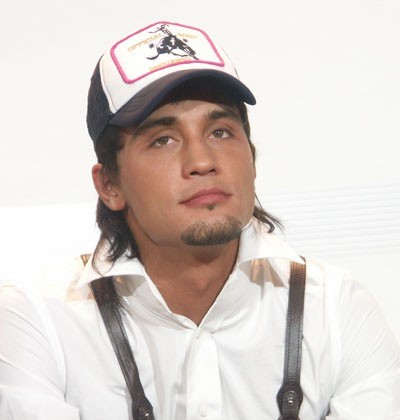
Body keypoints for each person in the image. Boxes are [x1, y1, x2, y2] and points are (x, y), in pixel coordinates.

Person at [0, 20, 399, 420]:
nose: (202, 161)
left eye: (220, 132)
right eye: (163, 140)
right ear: (109, 184)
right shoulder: (37, 320)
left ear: (252, 159)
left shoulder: (337, 310)